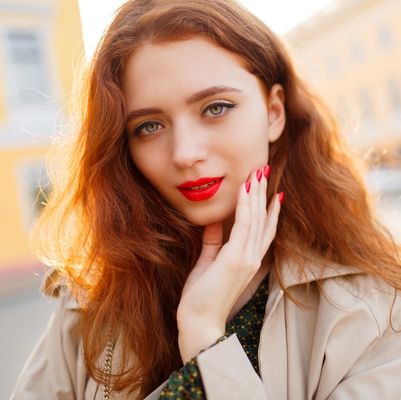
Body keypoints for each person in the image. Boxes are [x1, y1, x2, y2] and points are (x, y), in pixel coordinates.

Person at [10, 0, 401, 399]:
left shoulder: (373, 313)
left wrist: (204, 338)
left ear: (273, 112)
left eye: (216, 108)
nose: (184, 152)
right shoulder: (92, 304)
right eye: (149, 126)